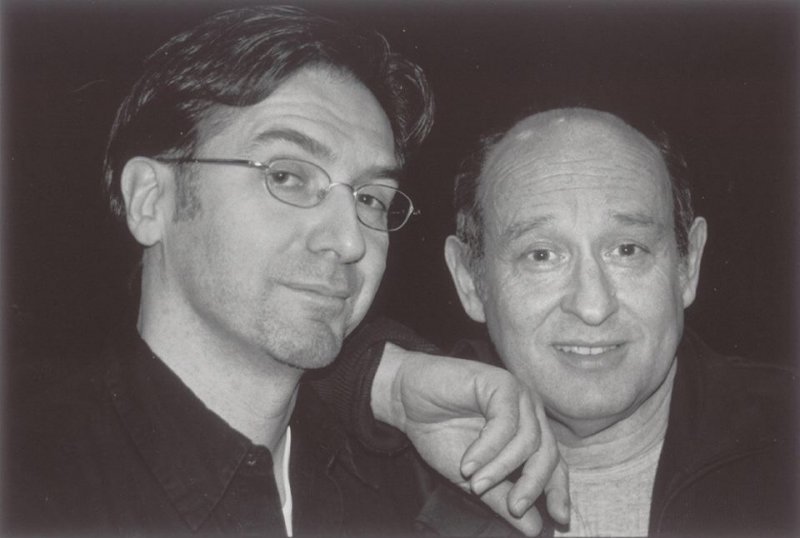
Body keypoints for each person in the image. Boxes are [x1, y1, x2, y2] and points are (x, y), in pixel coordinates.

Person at [2, 7, 568, 537]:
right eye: (288, 176)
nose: (350, 240)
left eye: (371, 198)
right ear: (152, 200)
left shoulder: (404, 484)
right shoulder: (31, 489)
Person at [444, 107, 797, 537]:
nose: (593, 306)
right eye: (541, 255)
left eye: (627, 250)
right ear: (470, 281)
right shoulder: (394, 474)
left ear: (688, 266)